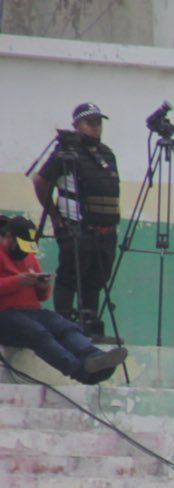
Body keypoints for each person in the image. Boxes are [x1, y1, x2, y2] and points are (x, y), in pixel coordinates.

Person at [0, 214, 126, 383]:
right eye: (20, 246)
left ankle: (94, 358)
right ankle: (79, 371)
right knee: (38, 333)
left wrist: (42, 287)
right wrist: (17, 281)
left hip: (32, 311)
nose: (23, 252)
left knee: (64, 326)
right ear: (8, 237)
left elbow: (42, 297)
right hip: (6, 315)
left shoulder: (28, 257)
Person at [30, 102, 119, 336]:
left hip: (106, 231)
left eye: (99, 123)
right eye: (90, 123)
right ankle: (63, 325)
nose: (96, 128)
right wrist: (55, 215)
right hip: (76, 229)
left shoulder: (107, 153)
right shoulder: (65, 154)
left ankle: (89, 326)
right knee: (70, 277)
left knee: (95, 281)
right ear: (76, 125)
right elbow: (40, 182)